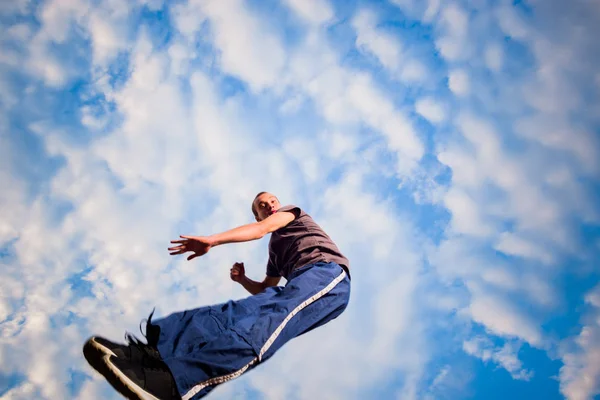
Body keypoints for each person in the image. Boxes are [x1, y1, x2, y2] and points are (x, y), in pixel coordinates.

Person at [83, 192, 351, 400]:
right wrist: (242, 279)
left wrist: (212, 240)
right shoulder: (276, 253)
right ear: (258, 214)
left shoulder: (292, 213)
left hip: (327, 277)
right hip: (298, 284)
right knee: (232, 314)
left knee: (263, 324)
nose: (268, 205)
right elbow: (267, 290)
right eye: (262, 205)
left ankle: (174, 386)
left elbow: (259, 231)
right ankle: (153, 357)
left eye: (271, 201)